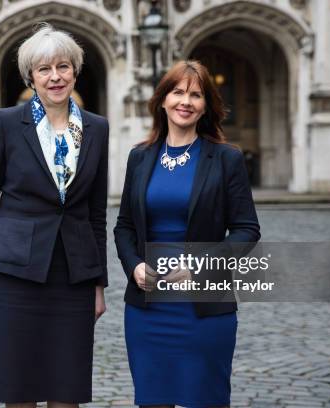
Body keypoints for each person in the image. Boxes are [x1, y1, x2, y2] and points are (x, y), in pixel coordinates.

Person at [0, 23, 109, 407]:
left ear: (75, 71)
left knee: (67, 391)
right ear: (31, 76)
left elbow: (96, 214)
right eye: (44, 69)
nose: (55, 77)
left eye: (63, 67)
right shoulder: (6, 123)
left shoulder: (97, 128)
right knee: (18, 389)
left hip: (73, 277)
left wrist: (98, 284)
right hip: (13, 276)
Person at [114, 60, 260, 408]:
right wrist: (134, 265)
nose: (186, 101)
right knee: (153, 400)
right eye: (178, 92)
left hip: (203, 310)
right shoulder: (140, 157)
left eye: (196, 95)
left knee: (204, 399)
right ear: (162, 100)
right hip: (147, 310)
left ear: (206, 105)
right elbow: (124, 226)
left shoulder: (227, 159)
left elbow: (247, 230)